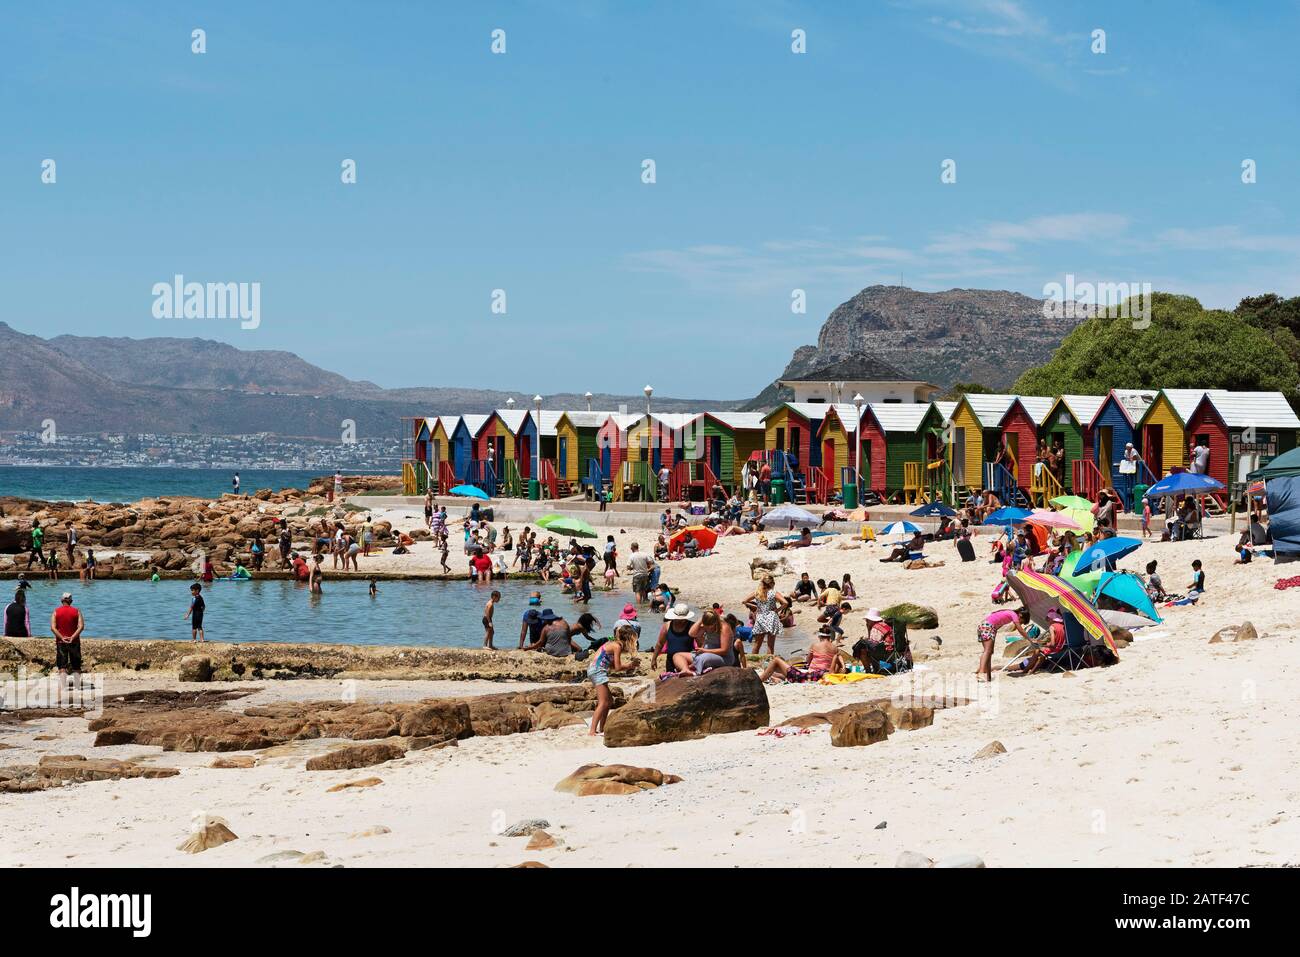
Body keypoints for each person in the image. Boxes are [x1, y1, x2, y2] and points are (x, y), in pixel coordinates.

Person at [587, 625, 639, 735]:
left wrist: (629, 666)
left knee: (609, 701)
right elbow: (618, 667)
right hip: (597, 671)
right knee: (603, 702)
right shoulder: (617, 647)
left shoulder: (612, 644)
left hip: (596, 670)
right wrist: (630, 665)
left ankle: (602, 727)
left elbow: (611, 665)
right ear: (628, 639)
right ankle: (592, 731)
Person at [760, 625, 841, 683]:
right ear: (830, 637)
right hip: (822, 674)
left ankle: (760, 680)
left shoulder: (815, 645)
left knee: (776, 660)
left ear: (820, 636)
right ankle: (774, 676)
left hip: (812, 674)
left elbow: (808, 662)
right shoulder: (835, 648)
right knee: (782, 671)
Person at [977, 606, 1031, 682]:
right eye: (1021, 621)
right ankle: (981, 672)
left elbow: (996, 621)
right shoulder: (1014, 614)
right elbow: (1020, 630)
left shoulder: (1008, 613)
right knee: (987, 651)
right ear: (1020, 615)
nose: (1020, 623)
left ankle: (988, 676)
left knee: (989, 652)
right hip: (988, 626)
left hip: (986, 626)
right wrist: (1030, 639)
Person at [743, 574, 789, 656]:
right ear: (771, 583)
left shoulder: (757, 592)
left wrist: (757, 607)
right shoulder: (773, 593)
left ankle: (753, 663)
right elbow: (785, 603)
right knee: (770, 645)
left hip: (760, 617)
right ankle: (768, 664)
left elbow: (744, 601)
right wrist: (777, 610)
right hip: (771, 617)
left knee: (757, 644)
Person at [685, 610, 739, 674]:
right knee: (678, 656)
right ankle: (685, 669)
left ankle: (695, 672)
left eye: (710, 626)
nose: (708, 628)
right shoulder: (706, 624)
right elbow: (692, 634)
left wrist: (704, 651)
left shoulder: (724, 628)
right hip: (705, 653)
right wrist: (700, 619)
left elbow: (724, 651)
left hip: (724, 658)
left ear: (715, 622)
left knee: (703, 658)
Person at [652, 604, 696, 674]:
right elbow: (660, 643)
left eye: (683, 619)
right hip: (670, 661)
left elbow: (700, 644)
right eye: (679, 619)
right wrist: (654, 659)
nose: (681, 621)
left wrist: (696, 661)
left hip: (686, 660)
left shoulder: (692, 626)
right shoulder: (667, 625)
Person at [51, 592, 84, 682]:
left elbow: (53, 628)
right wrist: (72, 637)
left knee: (62, 666)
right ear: (71, 601)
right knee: (76, 665)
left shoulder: (56, 611)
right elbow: (81, 626)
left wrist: (62, 637)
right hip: (74, 642)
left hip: (61, 642)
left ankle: (63, 686)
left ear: (61, 600)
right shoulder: (77, 611)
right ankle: (77, 685)